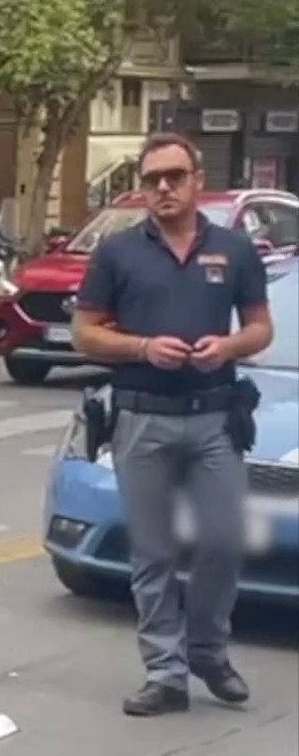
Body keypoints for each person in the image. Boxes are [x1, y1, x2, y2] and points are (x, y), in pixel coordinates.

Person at [71, 131, 275, 717]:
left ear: (196, 181)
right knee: (154, 553)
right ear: (143, 187)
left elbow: (261, 328)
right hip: (142, 420)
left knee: (223, 541)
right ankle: (165, 671)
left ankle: (208, 649)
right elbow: (86, 333)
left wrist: (229, 345)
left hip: (215, 419)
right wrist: (141, 348)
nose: (163, 187)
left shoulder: (234, 249)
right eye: (153, 178)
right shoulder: (118, 253)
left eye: (174, 177)